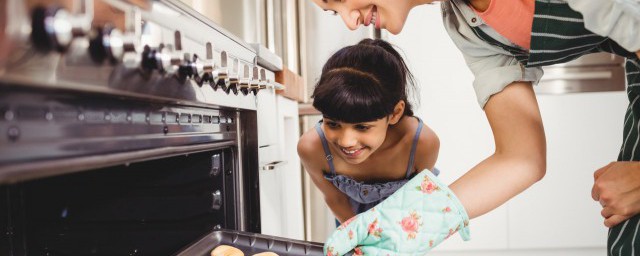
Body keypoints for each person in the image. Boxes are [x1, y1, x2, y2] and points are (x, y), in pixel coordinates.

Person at [310, 0, 640, 254]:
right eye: (332, 11)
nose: (350, 20)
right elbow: (521, 158)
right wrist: (404, 224)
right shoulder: (467, 27)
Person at [297, 38, 441, 223]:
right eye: (333, 124)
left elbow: (415, 203)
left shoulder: (421, 143)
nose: (345, 141)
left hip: (406, 222)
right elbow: (336, 199)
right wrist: (361, 242)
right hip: (351, 222)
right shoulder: (312, 148)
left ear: (395, 113)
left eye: (362, 127)